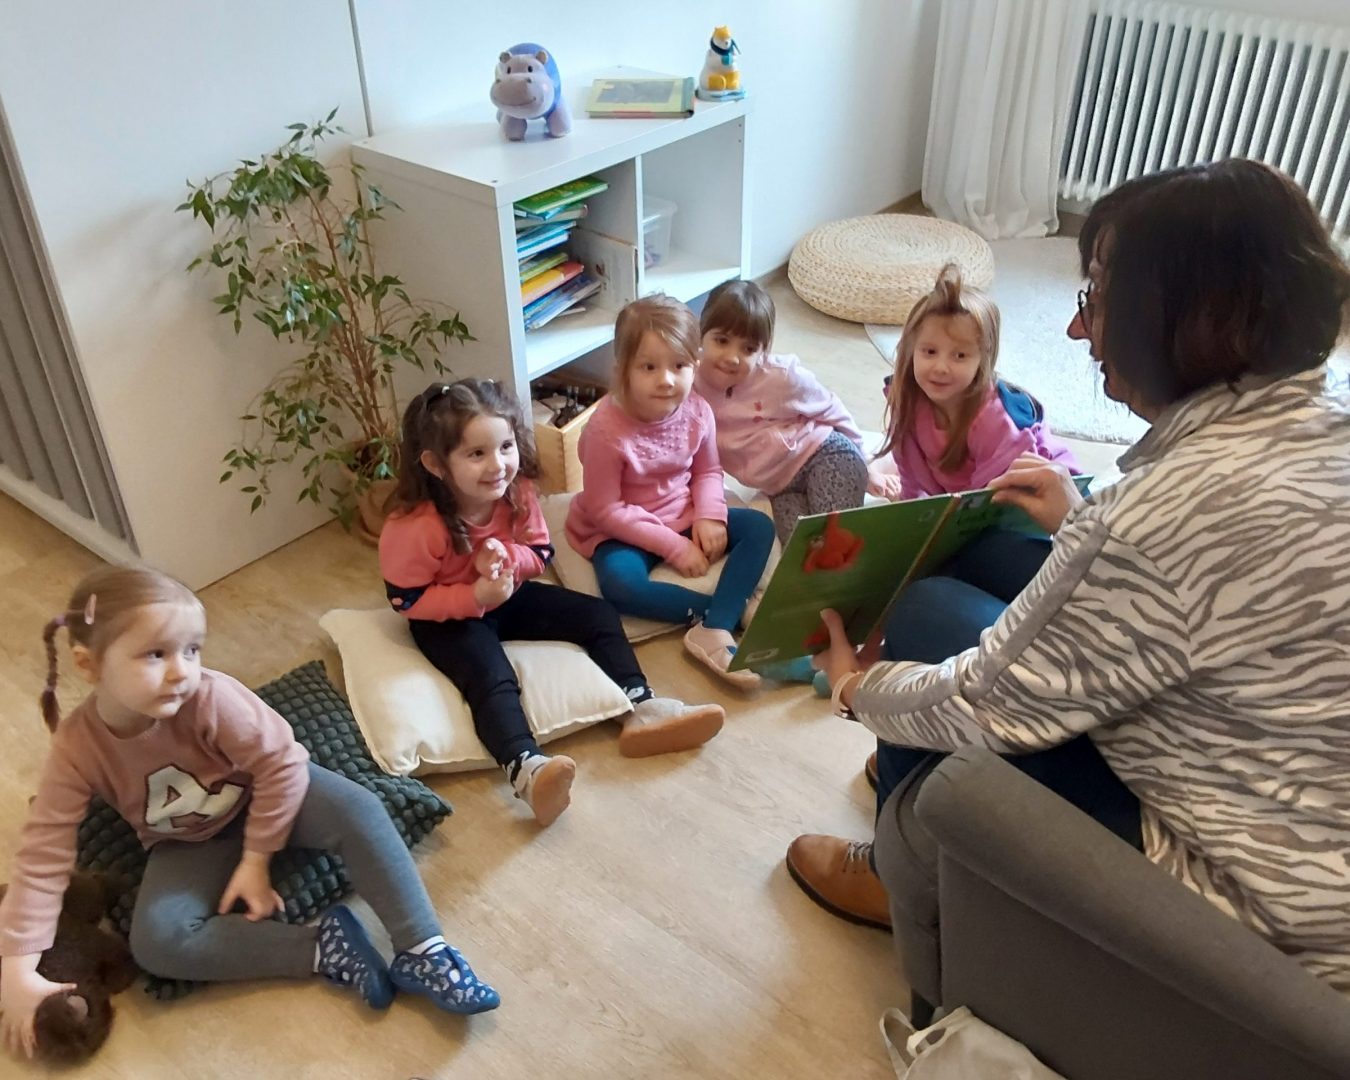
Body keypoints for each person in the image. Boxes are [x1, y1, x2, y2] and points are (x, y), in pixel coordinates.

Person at [787, 158, 1350, 997]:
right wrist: (1080, 513)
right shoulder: (1322, 421)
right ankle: (905, 786)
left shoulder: (1161, 515)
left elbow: (982, 702)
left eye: (1095, 298)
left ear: (1172, 320)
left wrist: (852, 688)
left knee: (929, 614)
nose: (1079, 329)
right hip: (1297, 815)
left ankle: (899, 874)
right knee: (981, 552)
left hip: (1255, 904)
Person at [0, 566, 499, 1061]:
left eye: (192, 650)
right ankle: (322, 947)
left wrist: (257, 857)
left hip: (269, 792)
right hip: (190, 841)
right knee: (156, 943)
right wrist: (17, 968)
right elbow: (43, 855)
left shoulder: (212, 696)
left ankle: (423, 949)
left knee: (361, 808)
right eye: (156, 654)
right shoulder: (77, 748)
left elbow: (282, 765)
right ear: (89, 665)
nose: (181, 670)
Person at [380, 379, 725, 829]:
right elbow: (406, 599)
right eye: (476, 454)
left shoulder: (517, 491)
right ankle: (527, 768)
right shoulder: (414, 525)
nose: (498, 465)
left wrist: (511, 560)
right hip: (444, 617)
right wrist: (473, 596)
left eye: (505, 446)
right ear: (435, 464)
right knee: (491, 675)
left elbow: (541, 552)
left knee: (597, 615)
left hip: (507, 594)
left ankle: (643, 706)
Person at [565, 294, 776, 691]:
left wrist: (710, 515)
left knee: (760, 527)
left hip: (681, 510)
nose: (666, 380)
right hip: (622, 529)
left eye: (679, 366)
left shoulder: (698, 411)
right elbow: (604, 508)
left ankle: (715, 628)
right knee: (620, 585)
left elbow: (708, 470)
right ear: (623, 369)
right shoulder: (605, 430)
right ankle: (722, 613)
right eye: (649, 367)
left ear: (695, 364)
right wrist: (674, 547)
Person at [695, 279, 889, 544]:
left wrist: (867, 464)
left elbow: (831, 407)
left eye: (748, 349)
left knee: (835, 540)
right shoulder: (688, 386)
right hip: (780, 489)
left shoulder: (782, 376)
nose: (732, 357)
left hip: (826, 456)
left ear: (763, 351)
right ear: (701, 335)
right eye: (722, 340)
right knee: (804, 548)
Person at [879, 263, 1079, 499]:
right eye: (930, 352)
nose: (941, 367)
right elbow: (908, 464)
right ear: (912, 350)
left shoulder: (991, 418)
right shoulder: (908, 399)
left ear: (983, 359)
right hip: (971, 493)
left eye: (960, 356)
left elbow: (993, 495)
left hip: (1038, 492)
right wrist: (910, 505)